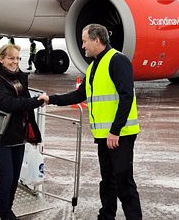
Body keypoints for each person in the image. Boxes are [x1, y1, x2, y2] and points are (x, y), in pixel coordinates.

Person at [38, 24, 142, 220]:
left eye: (85, 41)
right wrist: (51, 99)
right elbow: (79, 95)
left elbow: (126, 97)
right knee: (108, 181)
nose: (83, 46)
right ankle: (106, 215)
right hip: (103, 136)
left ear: (97, 40)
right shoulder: (94, 66)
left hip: (120, 135)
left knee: (124, 182)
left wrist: (115, 131)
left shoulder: (118, 61)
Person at [0, 43, 43, 220]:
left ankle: (9, 210)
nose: (14, 62)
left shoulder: (21, 77)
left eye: (17, 58)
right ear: (1, 59)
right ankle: (4, 214)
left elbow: (23, 100)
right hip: (0, 134)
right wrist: (36, 102)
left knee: (15, 176)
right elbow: (7, 104)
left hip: (18, 133)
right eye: (10, 58)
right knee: (7, 176)